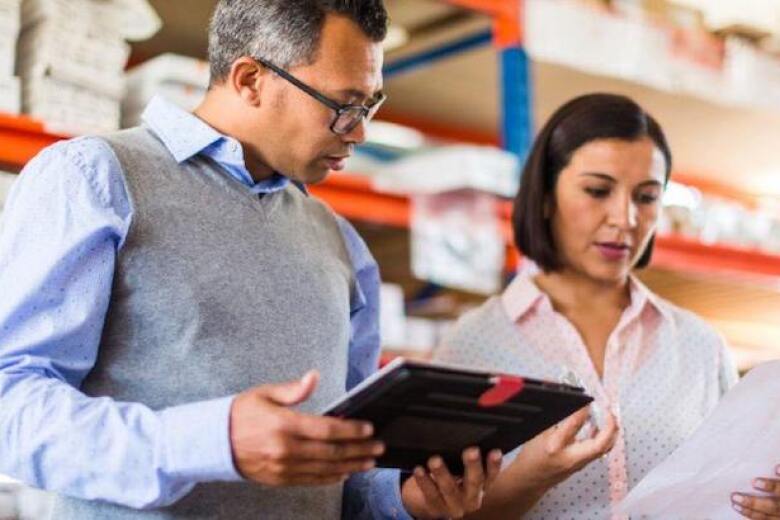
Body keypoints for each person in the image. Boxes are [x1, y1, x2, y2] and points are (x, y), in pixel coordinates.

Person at [0, 1, 501, 519]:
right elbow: (10, 406)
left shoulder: (340, 243)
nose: (358, 132)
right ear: (250, 80)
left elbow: (348, 464)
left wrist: (400, 501)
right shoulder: (95, 178)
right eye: (345, 105)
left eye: (369, 107)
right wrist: (210, 443)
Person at [434, 93, 780, 519]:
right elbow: (439, 512)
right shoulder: (472, 346)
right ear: (544, 195)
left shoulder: (699, 347)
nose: (625, 218)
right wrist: (529, 478)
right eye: (598, 191)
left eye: (647, 196)